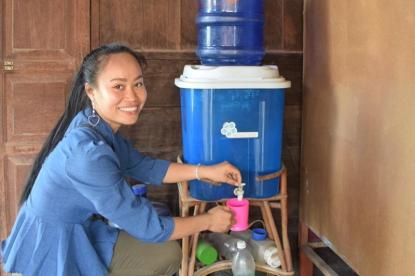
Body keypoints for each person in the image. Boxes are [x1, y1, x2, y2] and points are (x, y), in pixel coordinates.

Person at [1, 43, 242, 276]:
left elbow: (143, 166)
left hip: (78, 228)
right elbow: (149, 228)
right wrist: (208, 221)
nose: (133, 97)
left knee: (166, 253)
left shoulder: (95, 124)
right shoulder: (88, 155)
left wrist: (206, 171)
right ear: (91, 91)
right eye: (118, 86)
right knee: (165, 252)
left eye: (138, 84)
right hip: (51, 244)